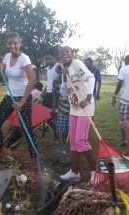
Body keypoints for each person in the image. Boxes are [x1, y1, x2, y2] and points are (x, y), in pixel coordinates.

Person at [0, 32, 38, 165]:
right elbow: (0, 77)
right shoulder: (6, 57)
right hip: (9, 96)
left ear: (20, 43)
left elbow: (32, 80)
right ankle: (0, 153)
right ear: (7, 45)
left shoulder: (25, 58)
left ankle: (34, 160)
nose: (12, 46)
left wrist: (22, 101)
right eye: (10, 44)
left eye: (15, 43)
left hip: (23, 97)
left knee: (27, 129)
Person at [58, 46, 96, 182]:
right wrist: (63, 77)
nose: (64, 54)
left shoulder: (77, 64)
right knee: (73, 142)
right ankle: (74, 172)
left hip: (85, 108)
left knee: (81, 140)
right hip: (73, 110)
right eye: (61, 52)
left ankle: (95, 171)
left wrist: (88, 98)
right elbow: (63, 93)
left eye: (66, 51)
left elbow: (91, 78)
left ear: (72, 54)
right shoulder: (66, 70)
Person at [41, 51, 59, 146]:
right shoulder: (48, 68)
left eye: (49, 58)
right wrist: (43, 92)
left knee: (54, 116)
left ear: (54, 57)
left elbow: (62, 80)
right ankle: (57, 130)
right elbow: (49, 81)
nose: (48, 60)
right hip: (47, 94)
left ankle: (56, 137)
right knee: (45, 115)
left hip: (54, 95)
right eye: (46, 59)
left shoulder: (58, 67)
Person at [52, 64, 71, 147]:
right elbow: (55, 95)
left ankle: (72, 147)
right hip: (62, 109)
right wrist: (53, 108)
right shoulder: (55, 81)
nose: (62, 75)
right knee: (64, 130)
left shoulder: (72, 81)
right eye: (60, 73)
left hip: (73, 110)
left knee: (73, 131)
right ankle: (65, 146)